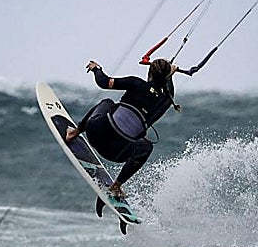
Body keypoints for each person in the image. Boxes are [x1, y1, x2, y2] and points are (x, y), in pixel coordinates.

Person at [64, 58, 181, 200]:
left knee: (107, 102)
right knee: (146, 146)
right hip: (116, 153)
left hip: (94, 133)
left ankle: (74, 133)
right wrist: (170, 76)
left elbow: (104, 82)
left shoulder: (136, 83)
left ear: (150, 72)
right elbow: (169, 95)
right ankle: (116, 185)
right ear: (167, 77)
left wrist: (96, 69)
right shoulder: (164, 102)